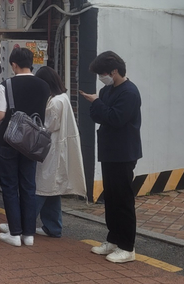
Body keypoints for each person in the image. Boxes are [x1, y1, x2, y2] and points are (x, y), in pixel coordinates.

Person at [80, 51, 142, 264]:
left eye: (103, 73)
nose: (101, 78)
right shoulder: (106, 91)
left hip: (124, 153)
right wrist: (98, 105)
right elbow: (97, 115)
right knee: (112, 199)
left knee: (123, 199)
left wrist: (97, 103)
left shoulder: (130, 92)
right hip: (108, 151)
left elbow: (115, 118)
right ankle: (113, 240)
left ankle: (127, 246)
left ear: (114, 71)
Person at [0, 47, 51, 247]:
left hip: (9, 141)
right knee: (28, 185)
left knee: (10, 186)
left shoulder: (6, 85)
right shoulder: (44, 86)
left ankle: (14, 232)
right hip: (32, 143)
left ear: (14, 65)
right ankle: (28, 233)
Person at [32, 66, 87, 238]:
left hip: (51, 150)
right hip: (56, 149)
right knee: (52, 191)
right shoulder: (63, 97)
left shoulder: (55, 102)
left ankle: (22, 224)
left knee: (40, 188)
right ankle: (53, 227)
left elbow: (48, 126)